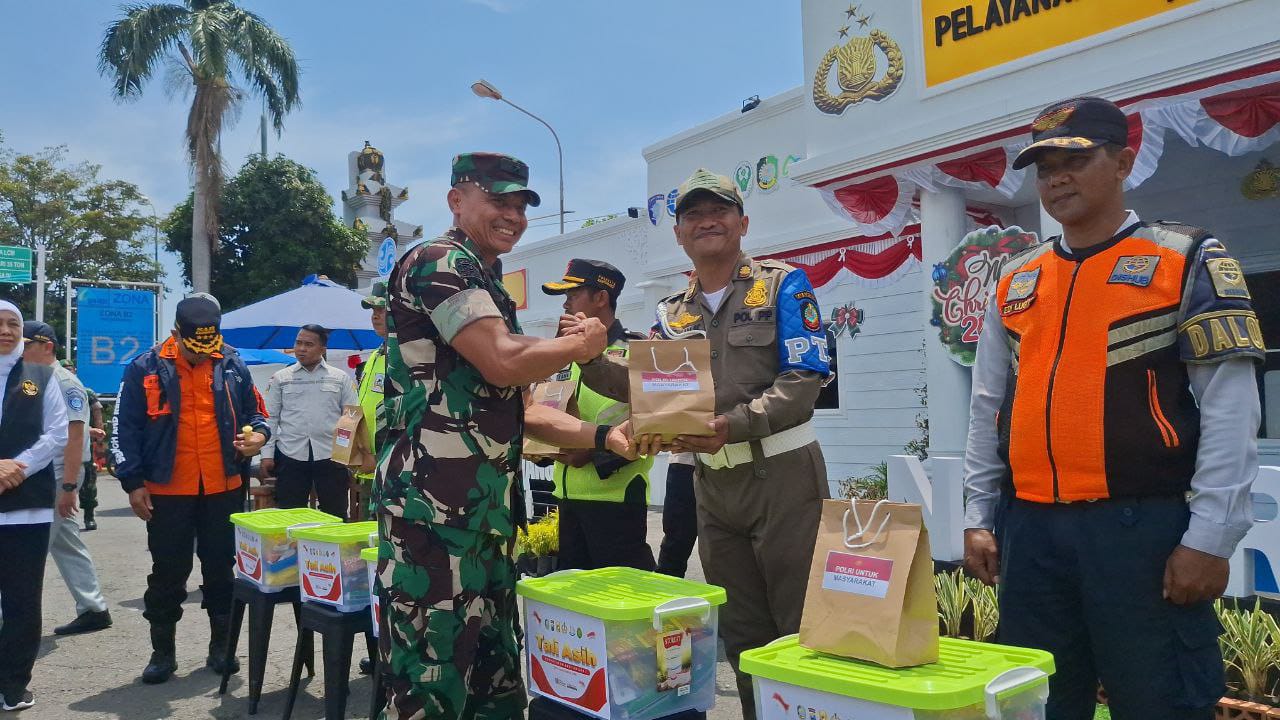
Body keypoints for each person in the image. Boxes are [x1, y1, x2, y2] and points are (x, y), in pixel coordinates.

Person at [962, 96, 1266, 720]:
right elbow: (988, 406)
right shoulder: (1016, 281)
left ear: (1125, 161)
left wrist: (1212, 536)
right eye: (1044, 168)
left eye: (1075, 160)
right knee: (1039, 703)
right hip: (1031, 532)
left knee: (1160, 702)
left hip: (1141, 532)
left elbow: (1232, 410)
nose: (1056, 179)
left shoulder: (1186, 260)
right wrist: (978, 514)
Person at [374, 152, 628, 719]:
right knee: (432, 687)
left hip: (484, 519)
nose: (512, 215)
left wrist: (606, 434)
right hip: (432, 523)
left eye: (520, 205)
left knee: (495, 686)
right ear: (457, 200)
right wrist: (584, 346)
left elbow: (525, 408)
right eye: (498, 201)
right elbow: (504, 362)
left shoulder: (487, 284)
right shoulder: (439, 261)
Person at [572, 168, 833, 719]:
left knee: (801, 624)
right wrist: (589, 357)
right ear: (678, 233)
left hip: (783, 473)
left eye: (718, 210)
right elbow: (642, 388)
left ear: (742, 222)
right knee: (739, 629)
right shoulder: (673, 313)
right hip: (713, 485)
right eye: (692, 213)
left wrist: (732, 425)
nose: (706, 220)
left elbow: (803, 382)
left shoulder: (785, 285)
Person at [113, 296, 270, 684]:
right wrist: (132, 483)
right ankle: (162, 654)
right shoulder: (144, 368)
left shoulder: (231, 362)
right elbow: (124, 429)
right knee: (168, 571)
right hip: (168, 488)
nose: (202, 355)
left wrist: (259, 437)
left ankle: (221, 648)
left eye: (209, 347)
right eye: (193, 348)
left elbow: (258, 413)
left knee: (221, 568)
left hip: (223, 485)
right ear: (174, 334)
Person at [540, 259, 656, 571]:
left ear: (601, 298)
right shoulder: (564, 351)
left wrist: (592, 451)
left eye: (573, 294)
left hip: (616, 499)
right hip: (567, 497)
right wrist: (543, 449)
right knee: (576, 601)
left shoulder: (637, 348)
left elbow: (653, 417)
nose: (565, 304)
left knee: (626, 597)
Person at [22, 323, 113, 637]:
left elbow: (74, 439)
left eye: (25, 343)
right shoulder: (37, 380)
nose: (19, 350)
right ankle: (93, 607)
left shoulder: (64, 382)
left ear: (46, 346)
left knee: (28, 549)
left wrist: (70, 487)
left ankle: (13, 620)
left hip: (61, 474)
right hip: (50, 473)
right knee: (67, 544)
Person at [0, 301, 66, 712]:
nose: (6, 331)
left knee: (23, 601)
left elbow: (57, 432)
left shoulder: (41, 376)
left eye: (13, 324)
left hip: (27, 508)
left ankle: (12, 685)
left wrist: (16, 467)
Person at [260, 323, 359, 520]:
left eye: (308, 344)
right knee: (290, 514)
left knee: (336, 515)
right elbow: (270, 418)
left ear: (322, 349)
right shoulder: (281, 378)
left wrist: (345, 454)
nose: (301, 349)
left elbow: (351, 417)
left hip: (331, 457)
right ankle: (292, 552)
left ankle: (333, 550)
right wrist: (266, 455)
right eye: (298, 343)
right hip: (290, 455)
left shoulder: (340, 378)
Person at [354, 281, 390, 521]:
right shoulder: (377, 355)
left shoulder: (405, 356)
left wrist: (375, 456)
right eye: (372, 311)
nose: (375, 316)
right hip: (367, 466)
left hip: (388, 467)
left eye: (381, 309)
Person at [61, 360, 105, 531]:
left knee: (88, 483)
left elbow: (97, 412)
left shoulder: (85, 391)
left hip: (84, 444)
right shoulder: (52, 389)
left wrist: (100, 440)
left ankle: (89, 515)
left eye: (69, 369)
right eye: (64, 369)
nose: (67, 372)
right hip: (60, 446)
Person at [655, 452, 697, 577]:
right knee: (675, 544)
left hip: (726, 465)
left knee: (722, 545)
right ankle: (665, 592)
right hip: (684, 463)